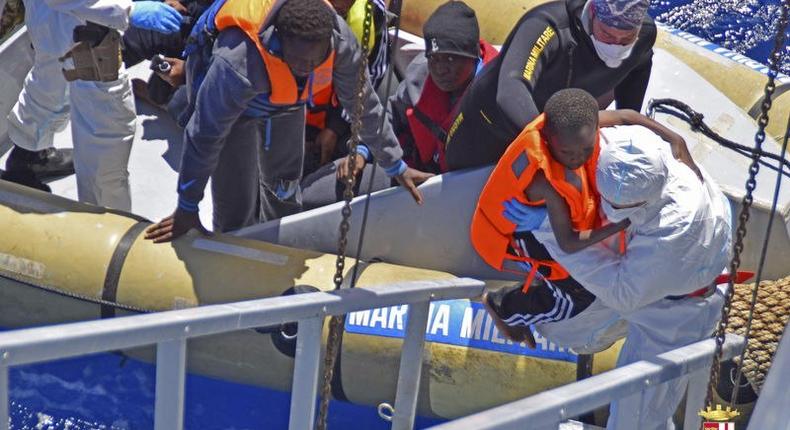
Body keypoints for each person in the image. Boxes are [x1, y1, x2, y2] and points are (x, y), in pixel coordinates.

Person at [144, 0, 432, 243]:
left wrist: (396, 164)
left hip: (287, 105)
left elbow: (364, 106)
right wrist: (187, 206)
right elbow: (203, 136)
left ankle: (278, 247)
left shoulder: (339, 42)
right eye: (298, 60)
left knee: (284, 190)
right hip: (238, 112)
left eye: (314, 62)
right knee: (234, 206)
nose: (305, 68)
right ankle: (230, 245)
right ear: (279, 40)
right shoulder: (238, 61)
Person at [472, 88, 703, 344]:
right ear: (548, 139)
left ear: (595, 128)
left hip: (563, 224)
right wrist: (618, 224)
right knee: (578, 295)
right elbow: (568, 244)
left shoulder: (577, 127)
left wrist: (675, 139)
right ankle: (504, 308)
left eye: (585, 150)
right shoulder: (545, 182)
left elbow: (627, 116)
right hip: (525, 233)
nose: (577, 159)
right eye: (567, 153)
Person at [301, 0, 499, 210]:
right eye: (435, 58)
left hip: (467, 197)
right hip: (410, 173)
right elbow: (390, 115)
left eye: (450, 59)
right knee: (310, 195)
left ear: (475, 53)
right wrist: (360, 151)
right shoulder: (421, 74)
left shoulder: (498, 94)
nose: (440, 69)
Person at [1, 0, 182, 209]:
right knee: (105, 129)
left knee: (51, 83)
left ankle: (27, 157)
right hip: (88, 30)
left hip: (52, 20)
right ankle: (105, 217)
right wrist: (126, 9)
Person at [444, 0, 656, 171]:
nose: (615, 45)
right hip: (488, 125)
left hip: (555, 134)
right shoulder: (547, 26)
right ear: (591, 12)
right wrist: (555, 143)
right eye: (607, 34)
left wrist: (629, 134)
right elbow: (511, 89)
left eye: (626, 38)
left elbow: (639, 67)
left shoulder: (644, 35)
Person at [302, 0, 390, 175]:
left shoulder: (372, 13)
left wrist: (335, 127)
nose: (341, 5)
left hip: (342, 108)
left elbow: (373, 76)